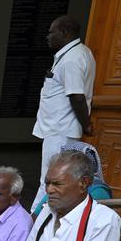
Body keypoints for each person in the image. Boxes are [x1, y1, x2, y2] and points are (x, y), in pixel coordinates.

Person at [31, 15, 96, 211]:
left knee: (50, 180)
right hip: (58, 129)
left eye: (51, 32)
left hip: (60, 131)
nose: (47, 37)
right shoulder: (77, 54)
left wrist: (86, 124)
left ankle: (34, 221)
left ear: (65, 33)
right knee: (53, 179)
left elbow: (76, 96)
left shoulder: (72, 59)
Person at [30, 142, 112, 216]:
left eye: (58, 184)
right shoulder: (54, 191)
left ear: (83, 183)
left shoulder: (99, 191)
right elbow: (36, 215)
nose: (49, 190)